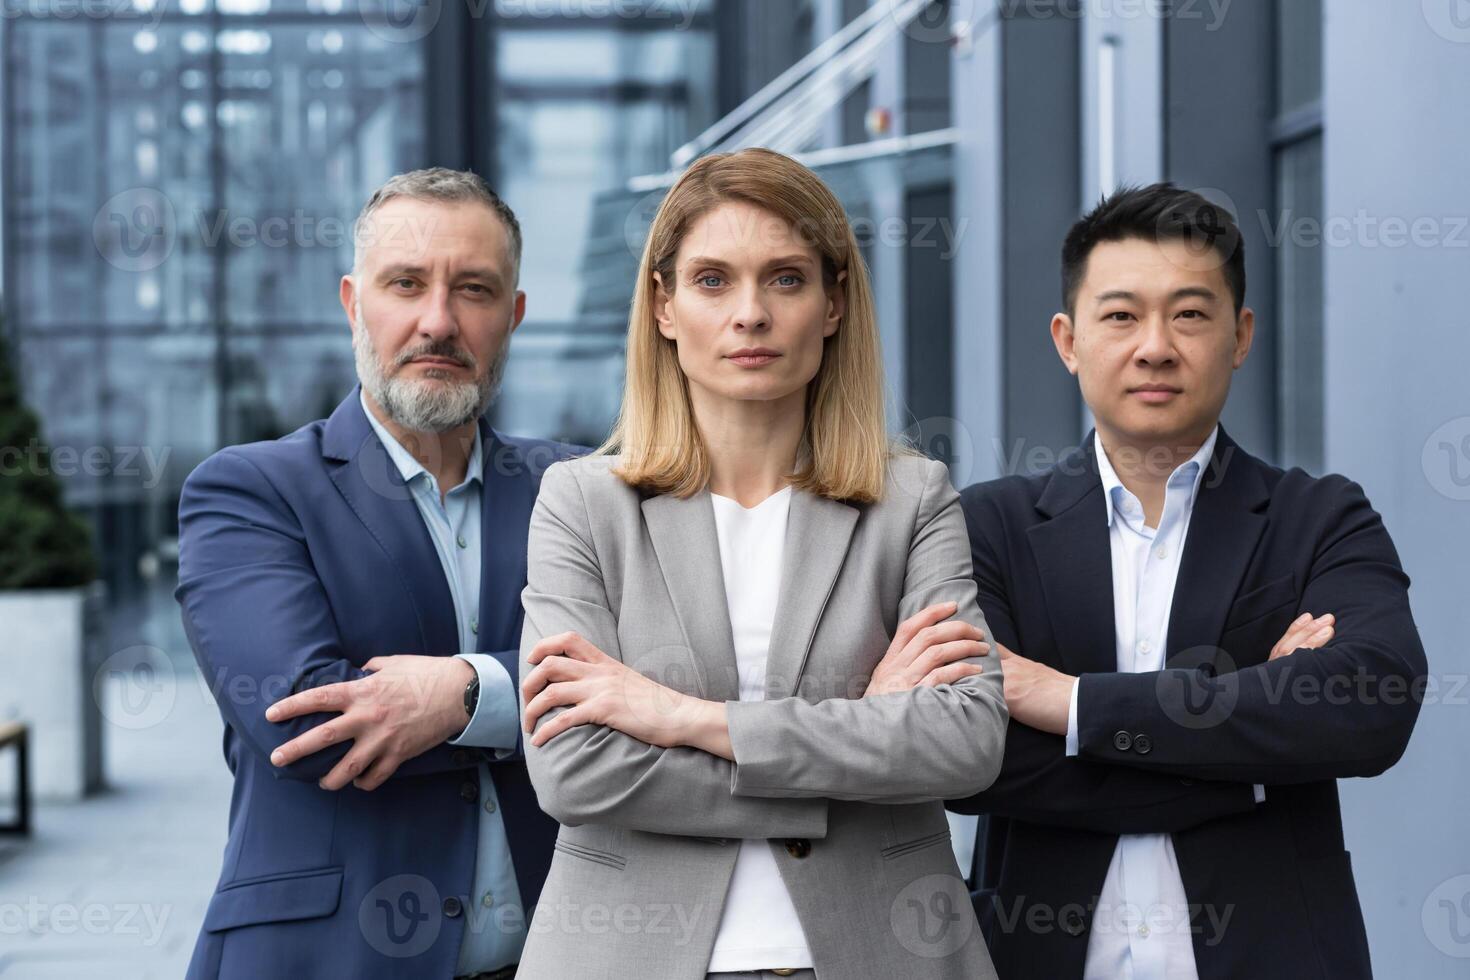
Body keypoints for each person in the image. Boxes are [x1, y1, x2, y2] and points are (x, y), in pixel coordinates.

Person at [512, 147, 1009, 979]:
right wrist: (856, 739)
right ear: (664, 306)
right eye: (713, 280)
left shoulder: (912, 500)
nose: (750, 313)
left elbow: (963, 742)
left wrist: (683, 717)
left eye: (785, 278)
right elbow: (574, 769)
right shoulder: (580, 503)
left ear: (834, 305)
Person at [950, 183, 1427, 979]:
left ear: (1240, 335)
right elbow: (968, 761)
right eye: (1121, 315)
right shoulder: (984, 528)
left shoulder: (1317, 518)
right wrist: (1256, 759)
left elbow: (1370, 705)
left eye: (1191, 314)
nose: (1156, 346)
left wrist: (1069, 704)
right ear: (1068, 340)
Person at [176, 168, 577, 979]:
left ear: (513, 316)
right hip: (328, 957)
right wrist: (519, 698)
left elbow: (645, 677)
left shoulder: (576, 491)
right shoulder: (252, 490)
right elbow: (305, 725)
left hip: (560, 955)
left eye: (473, 289)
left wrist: (456, 694)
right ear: (355, 304)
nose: (439, 321)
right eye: (406, 285)